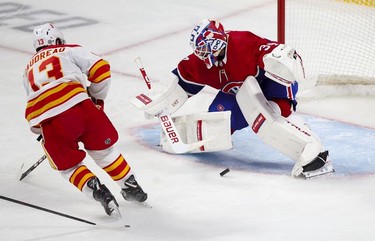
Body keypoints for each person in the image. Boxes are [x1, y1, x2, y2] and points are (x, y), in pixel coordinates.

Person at [131, 19, 334, 179]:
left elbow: (276, 53)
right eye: (198, 50)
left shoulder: (242, 43)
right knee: (217, 122)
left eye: (204, 49)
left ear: (216, 42)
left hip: (272, 85)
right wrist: (159, 100)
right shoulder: (201, 63)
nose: (201, 55)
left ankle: (315, 155)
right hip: (241, 92)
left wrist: (279, 59)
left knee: (267, 117)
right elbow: (180, 82)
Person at [23, 23, 147, 216]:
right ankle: (131, 187)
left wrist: (44, 132)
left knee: (69, 167)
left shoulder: (27, 70)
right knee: (105, 153)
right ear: (56, 40)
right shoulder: (67, 50)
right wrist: (96, 98)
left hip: (52, 122)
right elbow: (101, 68)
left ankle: (100, 192)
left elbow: (36, 107)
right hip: (82, 108)